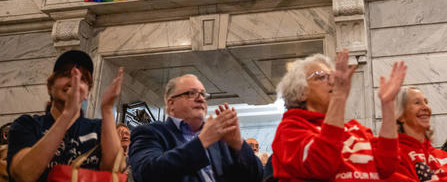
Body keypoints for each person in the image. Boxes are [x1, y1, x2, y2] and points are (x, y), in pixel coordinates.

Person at [271, 50, 406, 182]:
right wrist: (339, 96)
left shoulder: (356, 129)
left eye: (332, 76)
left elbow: (387, 166)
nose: (332, 82)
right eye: (321, 76)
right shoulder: (289, 129)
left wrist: (388, 104)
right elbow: (321, 165)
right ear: (301, 92)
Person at [7, 50, 124, 182]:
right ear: (50, 87)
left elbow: (115, 171)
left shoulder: (98, 128)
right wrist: (67, 115)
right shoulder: (27, 124)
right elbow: (24, 175)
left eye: (83, 79)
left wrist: (107, 109)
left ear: (87, 93)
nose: (73, 81)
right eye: (66, 74)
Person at [128, 74, 262, 182]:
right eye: (191, 93)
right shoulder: (150, 132)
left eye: (203, 94)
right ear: (171, 103)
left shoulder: (220, 138)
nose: (201, 99)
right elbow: (147, 174)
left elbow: (256, 177)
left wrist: (238, 143)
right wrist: (201, 142)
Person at [391, 86, 447, 181]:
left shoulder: (443, 156)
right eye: (417, 103)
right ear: (400, 115)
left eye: (426, 102)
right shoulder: (394, 158)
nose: (425, 107)